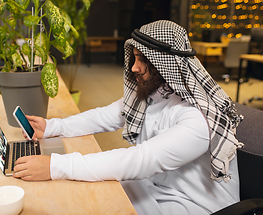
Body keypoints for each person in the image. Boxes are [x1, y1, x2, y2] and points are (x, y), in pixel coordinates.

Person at [13, 20, 244, 215]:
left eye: (143, 60)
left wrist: (55, 166)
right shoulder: (156, 93)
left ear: (166, 63)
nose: (134, 68)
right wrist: (52, 126)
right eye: (134, 58)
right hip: (153, 186)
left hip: (193, 205)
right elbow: (105, 116)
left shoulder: (197, 118)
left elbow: (141, 159)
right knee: (85, 193)